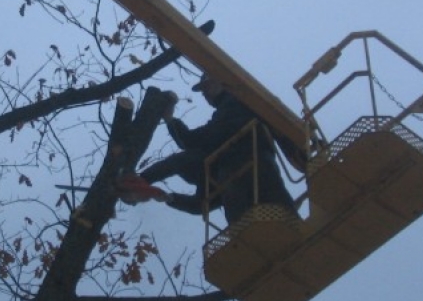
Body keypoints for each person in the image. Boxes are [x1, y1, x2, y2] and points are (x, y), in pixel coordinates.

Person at [118, 75, 297, 223]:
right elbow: (201, 205)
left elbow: (198, 139)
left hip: (251, 166)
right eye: (202, 90)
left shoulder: (236, 104)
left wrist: (171, 121)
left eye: (207, 86)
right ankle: (140, 183)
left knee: (185, 158)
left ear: (221, 81)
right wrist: (168, 198)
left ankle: (139, 181)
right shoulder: (218, 169)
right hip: (239, 176)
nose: (204, 93)